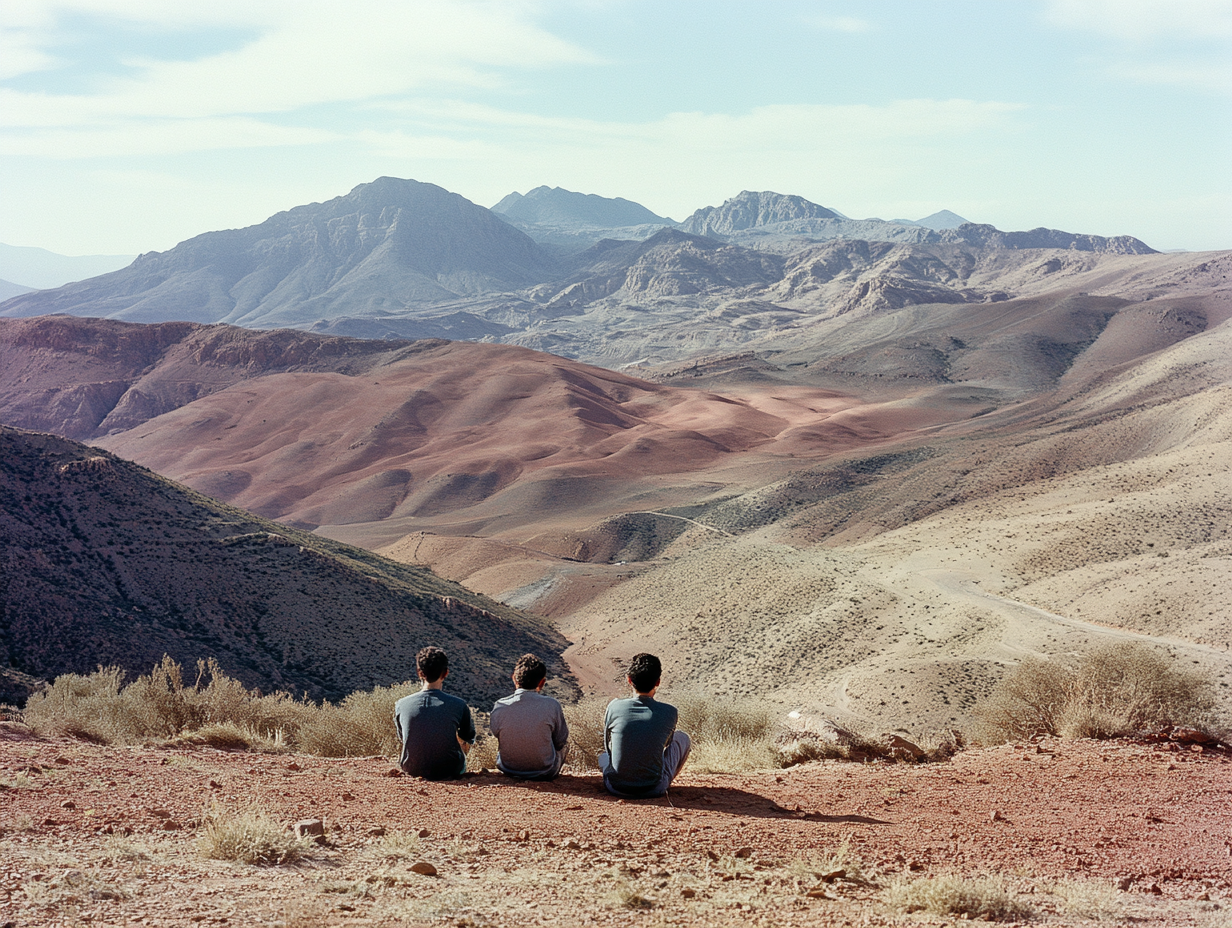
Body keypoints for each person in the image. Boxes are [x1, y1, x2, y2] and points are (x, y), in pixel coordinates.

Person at [597, 653, 691, 798]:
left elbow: (607, 744)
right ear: (658, 681)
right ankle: (664, 782)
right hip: (653, 789)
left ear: (629, 679)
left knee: (603, 757)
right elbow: (667, 745)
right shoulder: (670, 712)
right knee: (682, 738)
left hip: (615, 787)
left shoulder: (614, 706)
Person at [393, 646, 476, 780]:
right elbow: (468, 737)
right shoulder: (458, 705)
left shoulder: (401, 704)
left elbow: (403, 737)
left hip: (411, 769)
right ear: (446, 673)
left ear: (419, 672)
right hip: (449, 771)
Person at [489, 653, 570, 780]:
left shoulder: (500, 705)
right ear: (542, 682)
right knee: (564, 744)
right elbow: (561, 740)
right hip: (545, 771)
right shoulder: (552, 705)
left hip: (508, 769)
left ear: (514, 679)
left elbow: (496, 733)